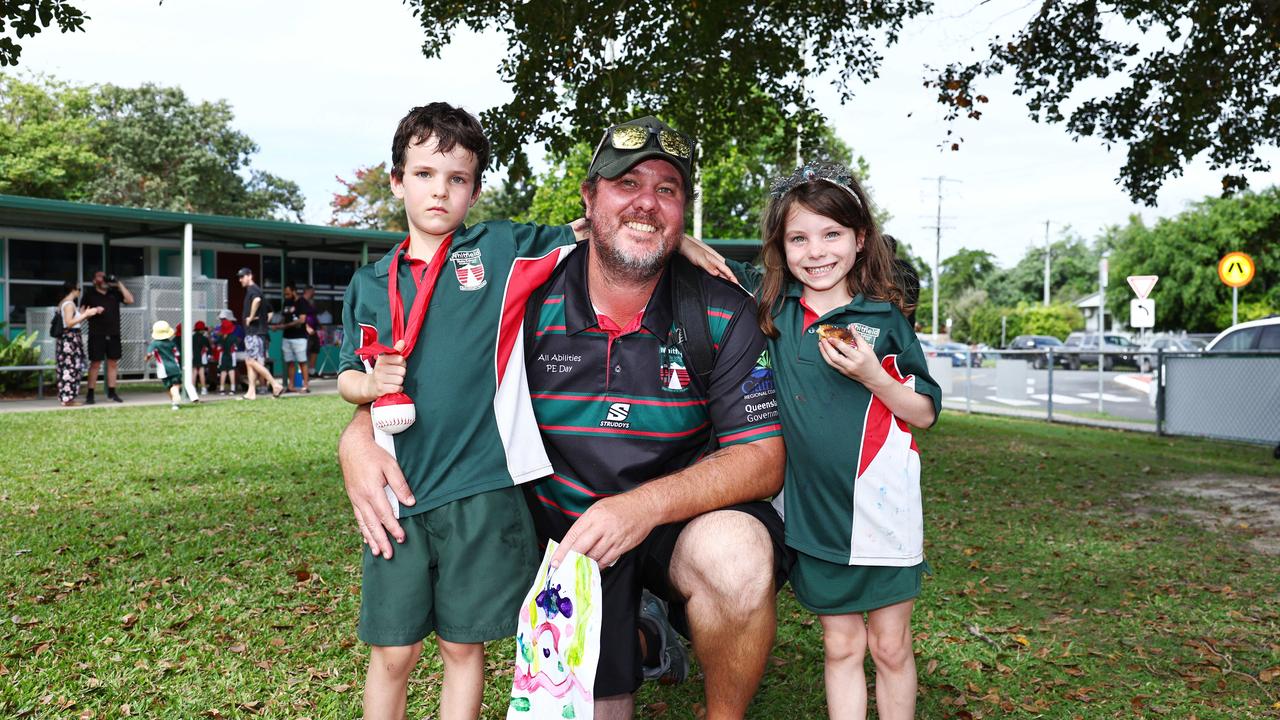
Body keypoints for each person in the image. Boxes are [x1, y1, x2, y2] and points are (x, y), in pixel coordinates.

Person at [339, 116, 787, 720]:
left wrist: (640, 509)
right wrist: (358, 436)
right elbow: (436, 368)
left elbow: (763, 460)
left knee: (738, 554)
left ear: (684, 209)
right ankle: (644, 636)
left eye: (666, 190)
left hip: (667, 519)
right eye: (627, 184)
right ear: (589, 197)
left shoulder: (721, 308)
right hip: (557, 530)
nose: (646, 204)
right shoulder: (521, 293)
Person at [333, 102, 595, 720]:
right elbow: (343, 376)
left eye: (456, 179)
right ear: (397, 180)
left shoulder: (499, 250)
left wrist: (681, 240)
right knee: (392, 652)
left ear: (474, 189)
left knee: (461, 644)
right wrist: (367, 389)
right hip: (397, 492)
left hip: (481, 485)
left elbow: (595, 230)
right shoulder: (371, 282)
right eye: (423, 174)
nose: (439, 191)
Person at [696, 163, 942, 720]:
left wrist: (872, 374)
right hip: (816, 515)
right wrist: (678, 235)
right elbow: (707, 261)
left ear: (859, 240)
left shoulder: (884, 319)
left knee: (890, 646)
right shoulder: (774, 308)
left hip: (882, 508)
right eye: (799, 238)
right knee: (841, 646)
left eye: (832, 234)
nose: (817, 251)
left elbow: (924, 412)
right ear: (781, 248)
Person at [81, 270, 134, 404]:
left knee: (112, 363)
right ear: (94, 281)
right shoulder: (89, 295)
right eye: (100, 276)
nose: (103, 278)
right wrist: (92, 312)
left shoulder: (114, 293)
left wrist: (118, 283)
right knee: (95, 364)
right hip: (96, 334)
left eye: (104, 276)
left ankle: (112, 392)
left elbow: (130, 300)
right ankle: (90, 394)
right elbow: (81, 315)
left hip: (114, 333)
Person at [235, 268, 285, 400]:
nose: (240, 280)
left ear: (249, 276)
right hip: (257, 331)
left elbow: (256, 300)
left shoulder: (253, 290)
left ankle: (275, 384)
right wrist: (263, 320)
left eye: (242, 277)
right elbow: (269, 311)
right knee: (250, 361)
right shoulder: (256, 290)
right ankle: (251, 392)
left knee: (251, 361)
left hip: (254, 332)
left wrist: (251, 317)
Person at [54, 280, 101, 406]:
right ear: (73, 290)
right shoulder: (69, 304)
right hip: (70, 339)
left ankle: (66, 397)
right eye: (79, 289)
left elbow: (73, 320)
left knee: (67, 367)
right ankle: (68, 399)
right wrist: (85, 314)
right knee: (71, 368)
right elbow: (69, 323)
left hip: (67, 339)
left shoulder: (63, 303)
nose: (80, 292)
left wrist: (84, 313)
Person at [275, 283, 310, 393]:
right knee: (289, 361)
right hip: (287, 336)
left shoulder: (302, 302)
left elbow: (302, 319)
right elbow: (284, 317)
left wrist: (284, 326)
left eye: (288, 293)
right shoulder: (286, 302)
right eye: (285, 294)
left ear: (294, 291)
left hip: (299, 337)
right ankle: (291, 385)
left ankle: (305, 385)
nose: (286, 296)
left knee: (302, 361)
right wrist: (278, 325)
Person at [146, 320, 186, 410]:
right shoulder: (171, 343)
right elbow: (177, 355)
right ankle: (176, 400)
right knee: (176, 384)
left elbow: (149, 354)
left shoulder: (154, 344)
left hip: (163, 370)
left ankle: (174, 402)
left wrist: (147, 358)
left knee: (169, 386)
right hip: (175, 368)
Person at [215, 311, 240, 396]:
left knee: (223, 372)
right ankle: (232, 389)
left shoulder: (220, 337)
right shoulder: (233, 337)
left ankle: (222, 389)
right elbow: (236, 346)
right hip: (231, 355)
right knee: (231, 371)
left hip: (222, 356)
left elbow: (217, 346)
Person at [301, 285, 321, 379]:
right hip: (305, 332)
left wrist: (320, 325)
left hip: (314, 330)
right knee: (306, 351)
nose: (314, 293)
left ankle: (311, 371)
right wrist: (307, 327)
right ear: (307, 291)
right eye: (312, 291)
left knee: (315, 348)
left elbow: (314, 315)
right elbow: (301, 316)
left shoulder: (311, 302)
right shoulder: (301, 301)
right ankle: (302, 373)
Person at [191, 321, 213, 396]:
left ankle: (192, 389)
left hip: (193, 357)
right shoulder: (204, 338)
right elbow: (209, 348)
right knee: (201, 373)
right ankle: (203, 389)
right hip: (201, 357)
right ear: (201, 330)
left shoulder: (191, 338)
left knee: (194, 373)